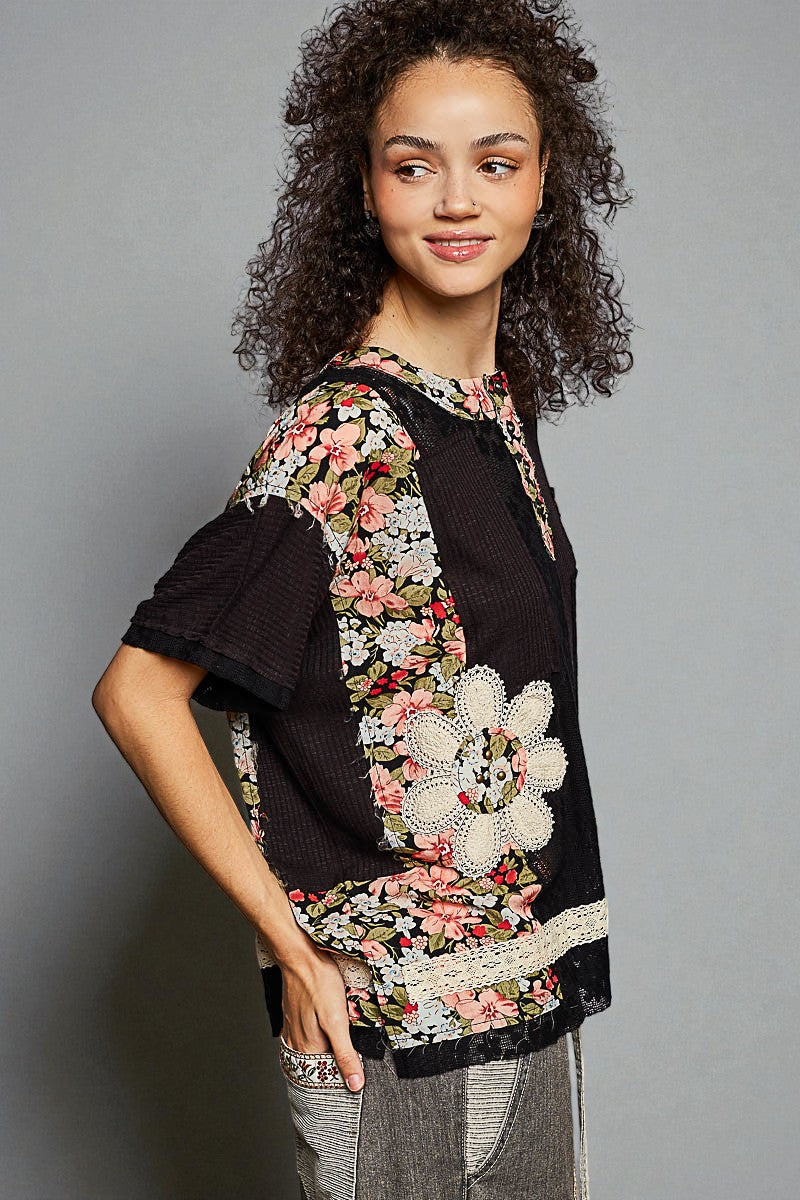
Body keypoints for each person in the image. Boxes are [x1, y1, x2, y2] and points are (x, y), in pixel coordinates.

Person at [92, 1, 633, 1196]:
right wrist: (292, 948)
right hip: (387, 1026)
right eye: (412, 165)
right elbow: (138, 693)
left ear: (546, 184)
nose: (456, 201)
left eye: (494, 163)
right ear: (364, 186)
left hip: (526, 983)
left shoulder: (491, 412)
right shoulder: (340, 440)